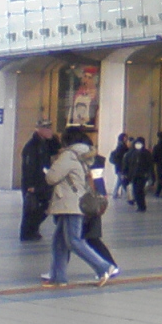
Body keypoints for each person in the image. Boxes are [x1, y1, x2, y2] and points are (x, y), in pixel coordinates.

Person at [44, 127, 117, 287]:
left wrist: (52, 165)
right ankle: (58, 277)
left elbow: (51, 177)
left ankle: (104, 267)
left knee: (74, 240)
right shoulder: (84, 155)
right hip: (75, 201)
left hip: (70, 203)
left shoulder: (68, 155)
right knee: (59, 242)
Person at [20, 120, 57, 241]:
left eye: (50, 128)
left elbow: (56, 149)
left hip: (43, 181)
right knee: (31, 208)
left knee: (45, 205)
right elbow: (29, 166)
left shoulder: (45, 144)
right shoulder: (32, 146)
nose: (50, 131)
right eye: (47, 129)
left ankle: (33, 229)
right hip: (34, 182)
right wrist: (30, 185)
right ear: (39, 130)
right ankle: (27, 233)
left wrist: (53, 138)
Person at [124, 137, 154, 212]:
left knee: (138, 190)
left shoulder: (142, 153)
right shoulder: (134, 153)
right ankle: (141, 205)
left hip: (140, 175)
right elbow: (126, 163)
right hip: (137, 175)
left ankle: (141, 206)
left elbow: (150, 165)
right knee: (137, 190)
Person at [109, 133, 129, 199]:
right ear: (123, 138)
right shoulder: (122, 147)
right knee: (122, 181)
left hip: (118, 167)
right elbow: (121, 157)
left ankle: (115, 194)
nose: (127, 138)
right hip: (121, 167)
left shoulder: (119, 145)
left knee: (120, 180)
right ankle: (128, 195)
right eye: (126, 137)